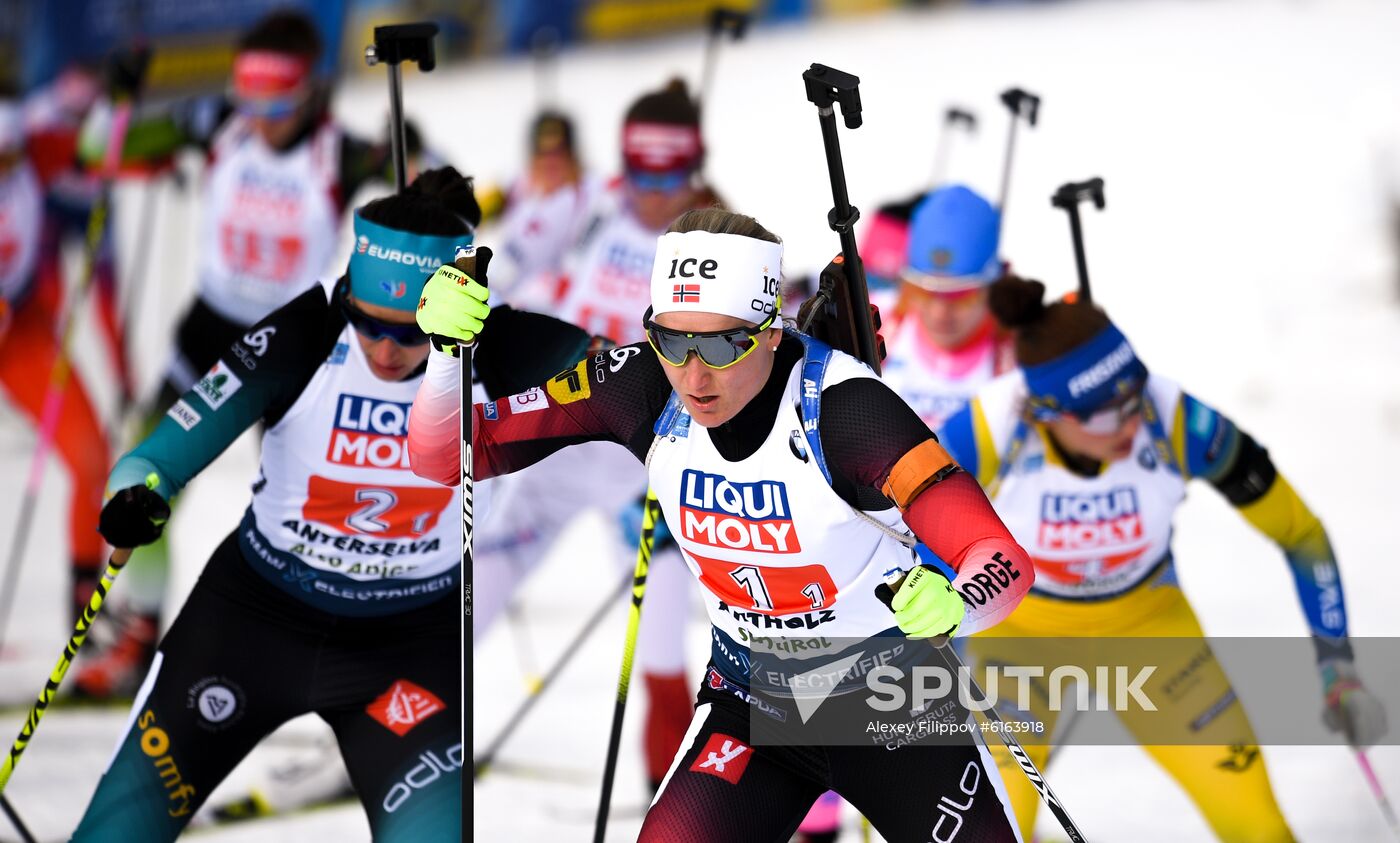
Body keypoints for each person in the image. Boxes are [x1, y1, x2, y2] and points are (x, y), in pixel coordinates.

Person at [410, 207, 1036, 841]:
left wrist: (957, 602)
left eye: (720, 343)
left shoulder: (846, 408)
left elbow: (998, 556)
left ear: (769, 330)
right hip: (752, 706)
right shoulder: (641, 385)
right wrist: (444, 354)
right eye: (672, 340)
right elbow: (448, 454)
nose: (694, 373)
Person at [70, 169, 589, 840]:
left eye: (413, 334)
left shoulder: (507, 345)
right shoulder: (306, 334)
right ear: (347, 293)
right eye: (368, 323)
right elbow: (160, 452)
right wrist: (137, 497)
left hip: (406, 647)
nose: (386, 349)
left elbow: (642, 382)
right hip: (251, 621)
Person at [940, 275, 1388, 841]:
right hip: (1019, 639)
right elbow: (904, 539)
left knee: (1260, 828)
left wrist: (1337, 667)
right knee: (987, 832)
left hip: (1149, 631)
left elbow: (1302, 533)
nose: (1129, 424)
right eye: (1104, 416)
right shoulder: (989, 426)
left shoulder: (1175, 419)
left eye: (1135, 398)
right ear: (1047, 412)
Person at [73, 9, 407, 698]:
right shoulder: (214, 123)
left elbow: (427, 211)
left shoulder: (340, 152)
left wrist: (409, 155)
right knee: (142, 478)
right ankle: (139, 629)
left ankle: (315, 648)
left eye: (277, 100)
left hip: (292, 341)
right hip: (208, 331)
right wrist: (118, 99)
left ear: (310, 90)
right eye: (250, 96)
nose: (261, 117)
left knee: (303, 504)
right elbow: (97, 151)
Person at [471, 77, 724, 792]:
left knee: (665, 644)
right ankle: (398, 735)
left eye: (669, 175)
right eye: (639, 172)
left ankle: (675, 792)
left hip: (645, 473)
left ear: (693, 166)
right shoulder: (584, 207)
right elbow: (500, 269)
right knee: (466, 605)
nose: (651, 192)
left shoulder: (714, 236)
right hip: (554, 449)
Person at [0, 84, 113, 626]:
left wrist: (124, 102)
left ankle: (84, 614)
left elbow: (108, 145)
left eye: (8, 159)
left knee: (91, 459)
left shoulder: (33, 146)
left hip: (22, 333)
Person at [879, 185, 1015, 432]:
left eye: (961, 297)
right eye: (923, 292)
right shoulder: (873, 321)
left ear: (995, 286)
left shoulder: (1021, 352)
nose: (939, 313)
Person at [484, 109, 601, 311]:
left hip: (553, 307)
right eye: (542, 154)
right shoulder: (520, 187)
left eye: (559, 154)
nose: (550, 163)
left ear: (573, 157)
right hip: (505, 291)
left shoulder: (591, 196)